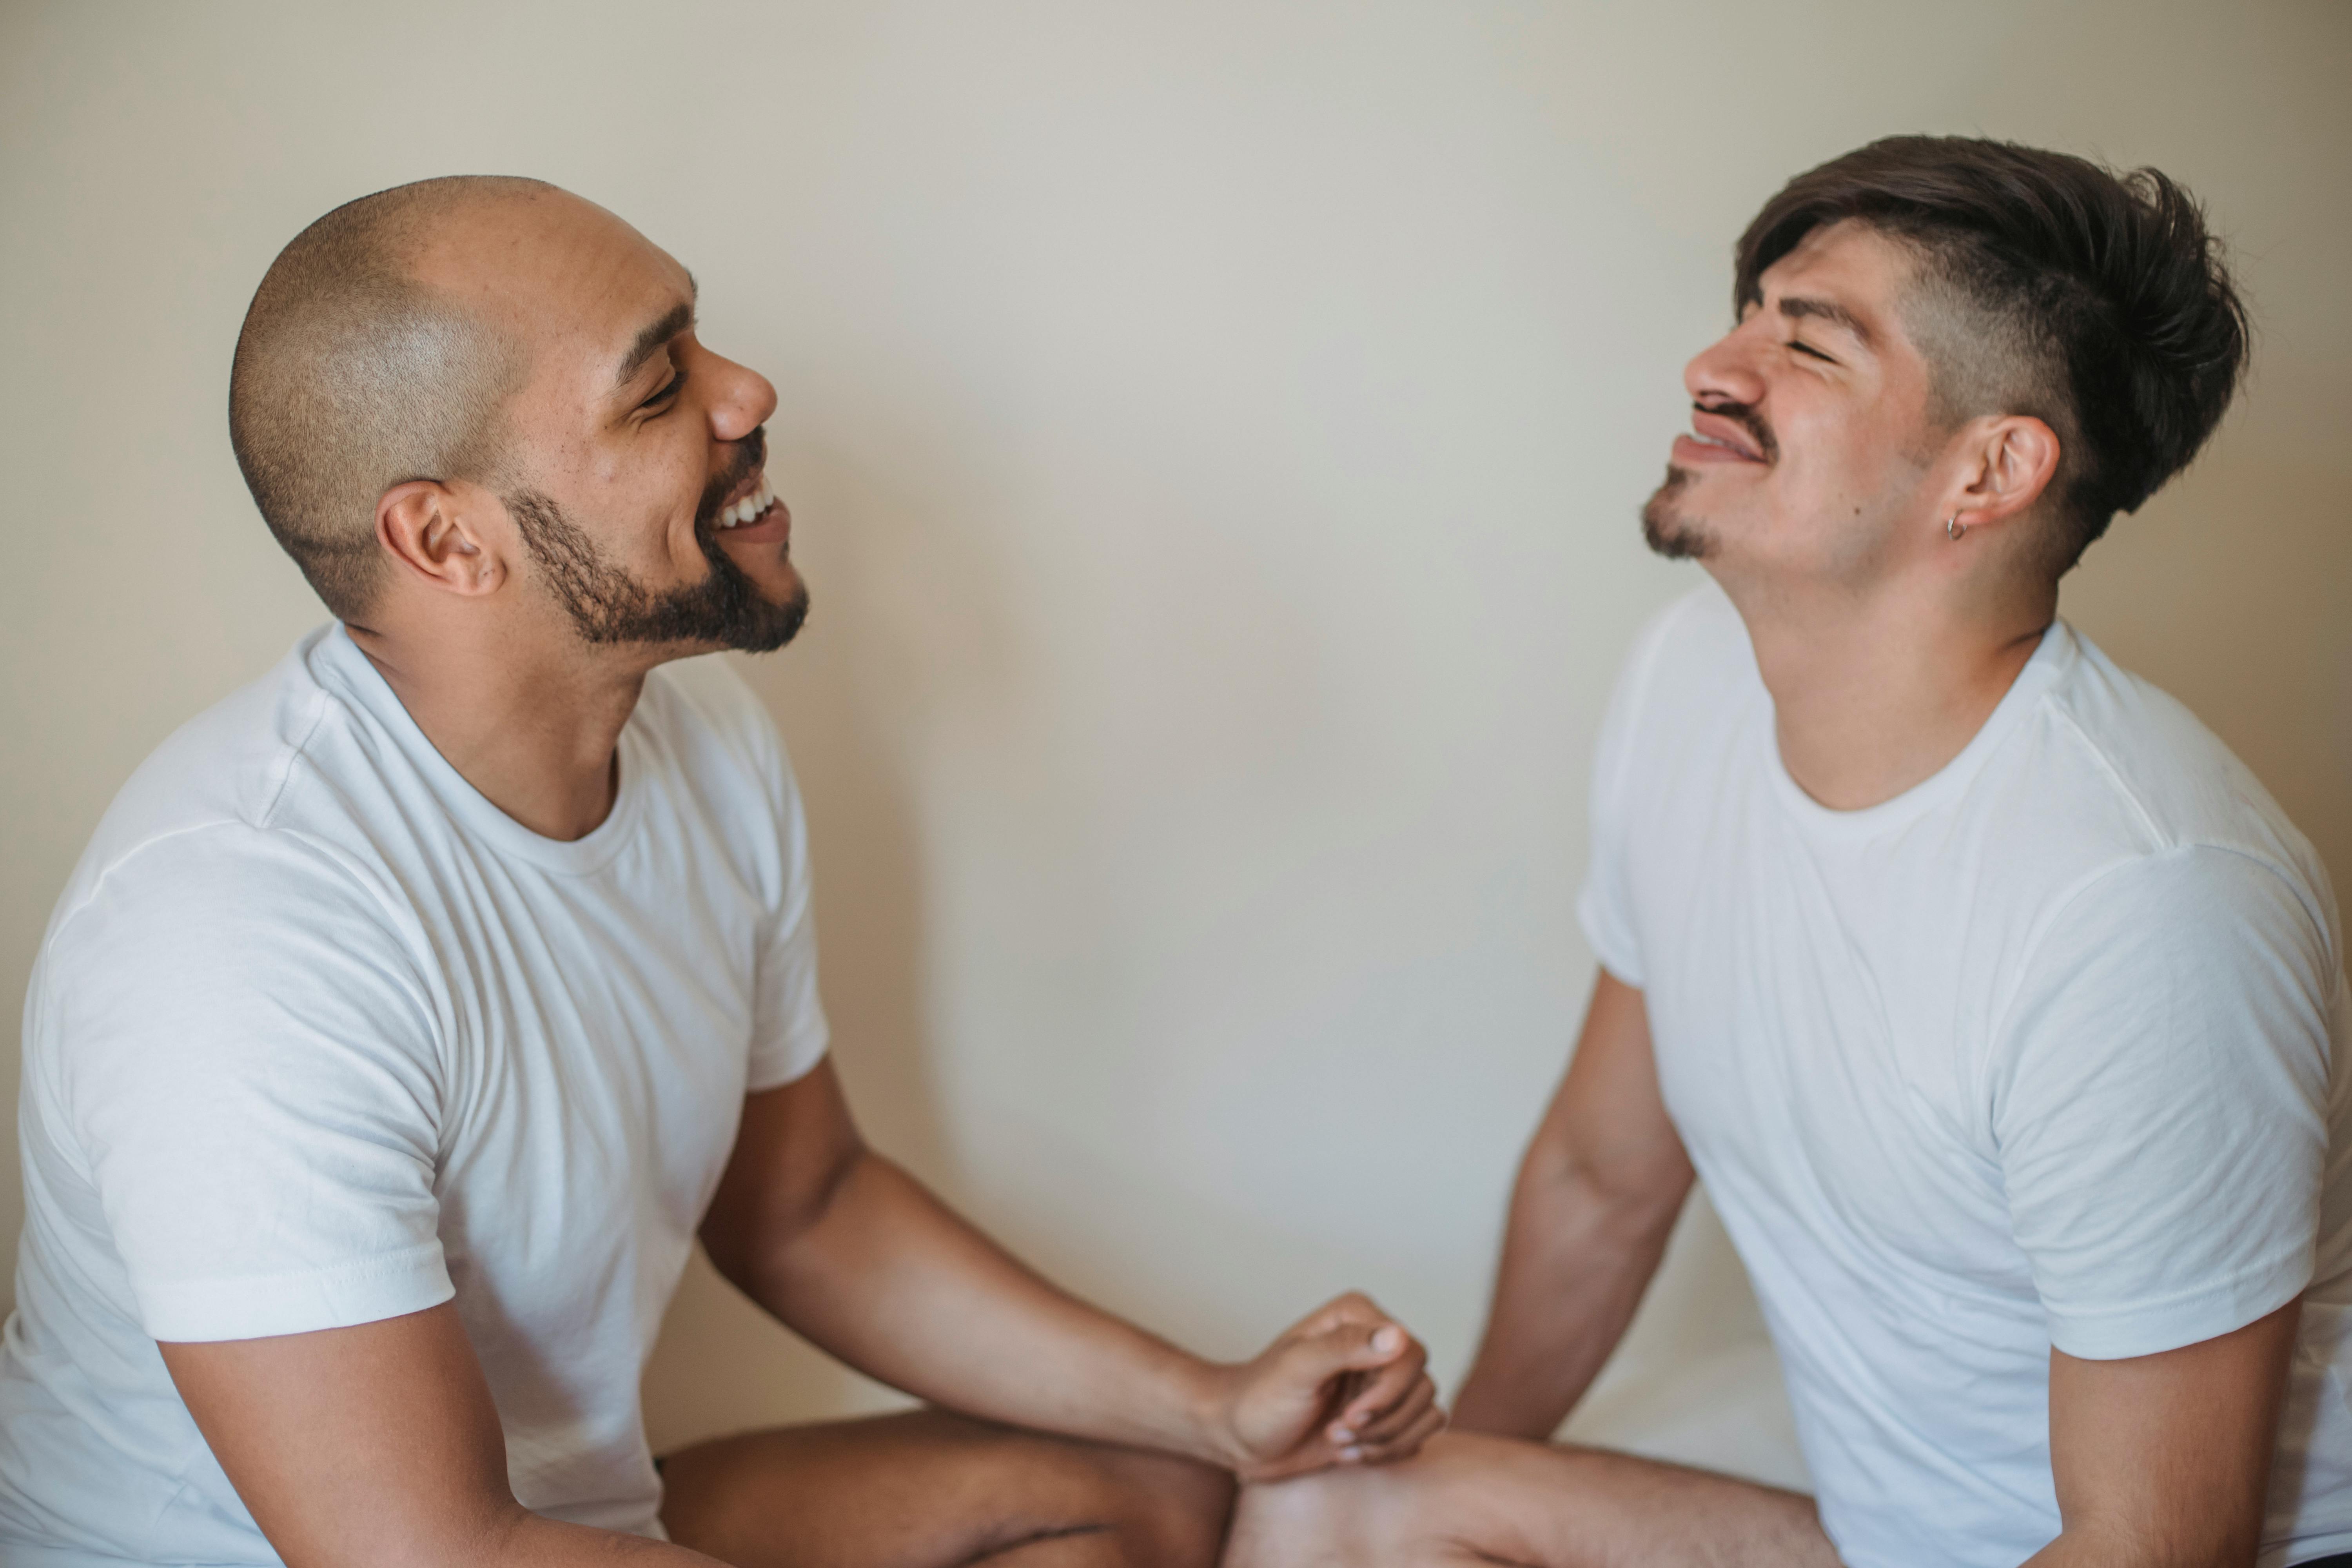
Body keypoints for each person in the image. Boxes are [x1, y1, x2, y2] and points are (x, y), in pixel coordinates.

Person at [0, 176, 1444, 1568]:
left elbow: (802, 1207)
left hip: (559, 1529)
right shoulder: (236, 934)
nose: (746, 394)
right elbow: (426, 1556)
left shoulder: (705, 745)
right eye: (658, 385)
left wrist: (1211, 1404)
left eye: (701, 337)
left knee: (1156, 1497)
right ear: (447, 539)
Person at [1226, 136, 2351, 1568]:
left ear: (1991, 469)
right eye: (1749, 310)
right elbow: (1600, 1176)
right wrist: (1456, 1480)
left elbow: (2148, 1545)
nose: (1715, 362)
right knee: (1328, 1508)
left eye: (1808, 346)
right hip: (1870, 1527)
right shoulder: (1691, 679)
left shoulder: (2145, 908)